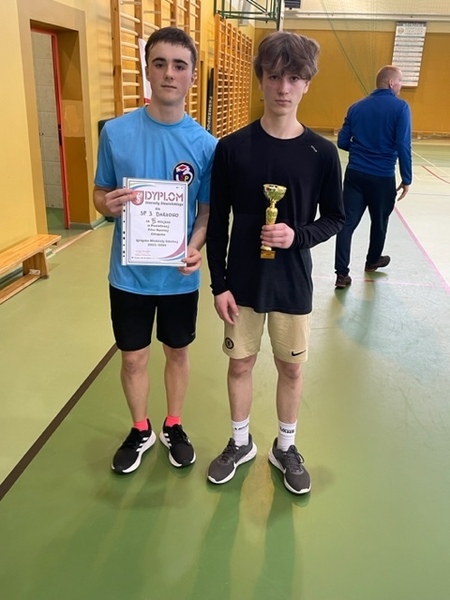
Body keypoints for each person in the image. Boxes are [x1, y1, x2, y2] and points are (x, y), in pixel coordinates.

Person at [206, 31, 345, 495]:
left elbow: (336, 218)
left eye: (294, 78)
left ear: (307, 83)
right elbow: (218, 221)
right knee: (240, 365)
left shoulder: (322, 154)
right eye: (274, 76)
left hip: (292, 283)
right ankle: (240, 442)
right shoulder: (232, 148)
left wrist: (296, 236)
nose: (283, 87)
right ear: (260, 79)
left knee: (292, 369)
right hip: (242, 283)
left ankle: (285, 447)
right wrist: (219, 284)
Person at [93, 27, 217, 474]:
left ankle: (173, 424)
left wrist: (195, 248)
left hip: (178, 275)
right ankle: (140, 427)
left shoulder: (206, 145)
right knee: (133, 357)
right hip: (129, 275)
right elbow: (100, 192)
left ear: (192, 75)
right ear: (147, 69)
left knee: (177, 352)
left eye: (179, 65)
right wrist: (105, 205)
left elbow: (206, 213)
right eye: (160, 63)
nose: (169, 73)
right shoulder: (116, 133)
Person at [334, 65, 412, 289]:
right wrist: (406, 178)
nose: (401, 85)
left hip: (355, 174)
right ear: (391, 83)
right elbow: (403, 145)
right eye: (400, 81)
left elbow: (342, 142)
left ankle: (341, 274)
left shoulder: (355, 107)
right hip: (382, 177)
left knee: (346, 224)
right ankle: (372, 261)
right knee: (379, 222)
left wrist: (361, 150)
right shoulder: (401, 107)